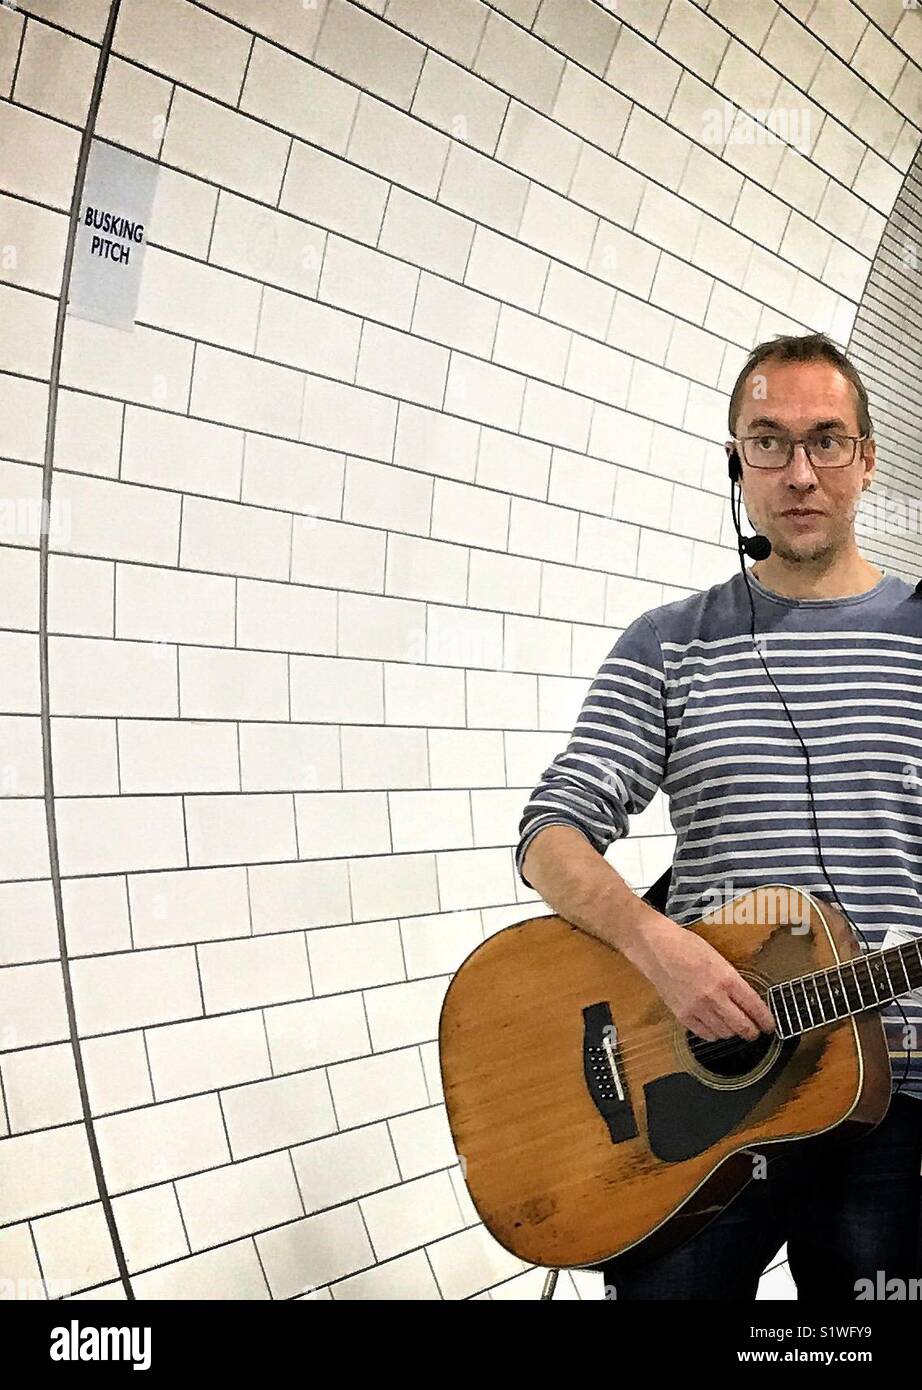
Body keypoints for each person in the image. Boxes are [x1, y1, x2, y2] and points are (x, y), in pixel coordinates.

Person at [516, 331, 922, 1300]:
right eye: (768, 442)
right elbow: (550, 836)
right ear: (735, 463)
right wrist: (662, 950)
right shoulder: (669, 644)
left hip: (898, 1097)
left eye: (826, 440)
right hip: (693, 1097)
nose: (800, 472)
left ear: (865, 459)